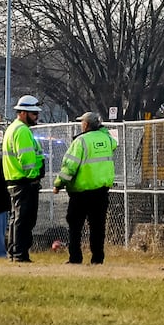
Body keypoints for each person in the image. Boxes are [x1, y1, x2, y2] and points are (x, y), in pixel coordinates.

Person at [53, 111, 118, 265]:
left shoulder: (80, 142)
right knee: (98, 227)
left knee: (75, 227)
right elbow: (114, 143)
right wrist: (102, 128)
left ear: (86, 125)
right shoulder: (108, 140)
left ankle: (75, 258)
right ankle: (98, 258)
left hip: (81, 193)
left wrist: (59, 184)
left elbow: (69, 166)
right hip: (101, 192)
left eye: (82, 122)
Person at [2, 94, 45, 263]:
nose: (36, 117)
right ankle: (20, 254)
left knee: (16, 218)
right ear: (22, 113)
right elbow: (27, 160)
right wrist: (34, 176)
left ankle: (14, 252)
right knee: (24, 219)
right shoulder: (22, 131)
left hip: (14, 181)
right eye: (33, 113)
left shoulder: (12, 129)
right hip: (25, 182)